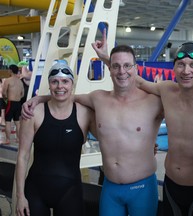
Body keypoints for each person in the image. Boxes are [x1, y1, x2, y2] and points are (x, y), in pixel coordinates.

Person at [93, 31, 193, 216]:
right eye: (180, 64)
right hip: (171, 186)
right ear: (174, 68)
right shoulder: (167, 90)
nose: (186, 70)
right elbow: (136, 81)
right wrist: (106, 59)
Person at [22, 46, 164, 216]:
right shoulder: (98, 98)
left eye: (127, 66)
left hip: (142, 188)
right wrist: (39, 99)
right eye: (116, 66)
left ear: (136, 68)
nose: (122, 71)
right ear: (109, 69)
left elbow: (183, 104)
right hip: (110, 188)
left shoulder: (154, 102)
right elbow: (64, 96)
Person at [15, 62, 96, 216]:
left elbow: (110, 136)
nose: (60, 86)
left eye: (65, 81)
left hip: (70, 192)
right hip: (36, 190)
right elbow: (23, 156)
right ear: (49, 84)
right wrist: (20, 196)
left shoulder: (85, 114)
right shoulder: (33, 113)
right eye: (55, 81)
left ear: (72, 84)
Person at [2, 64, 24, 144]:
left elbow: (4, 93)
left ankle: (8, 140)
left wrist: (6, 97)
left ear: (11, 70)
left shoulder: (8, 80)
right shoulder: (20, 82)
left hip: (10, 103)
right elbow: (22, 94)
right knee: (17, 122)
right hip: (18, 104)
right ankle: (18, 139)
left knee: (8, 121)